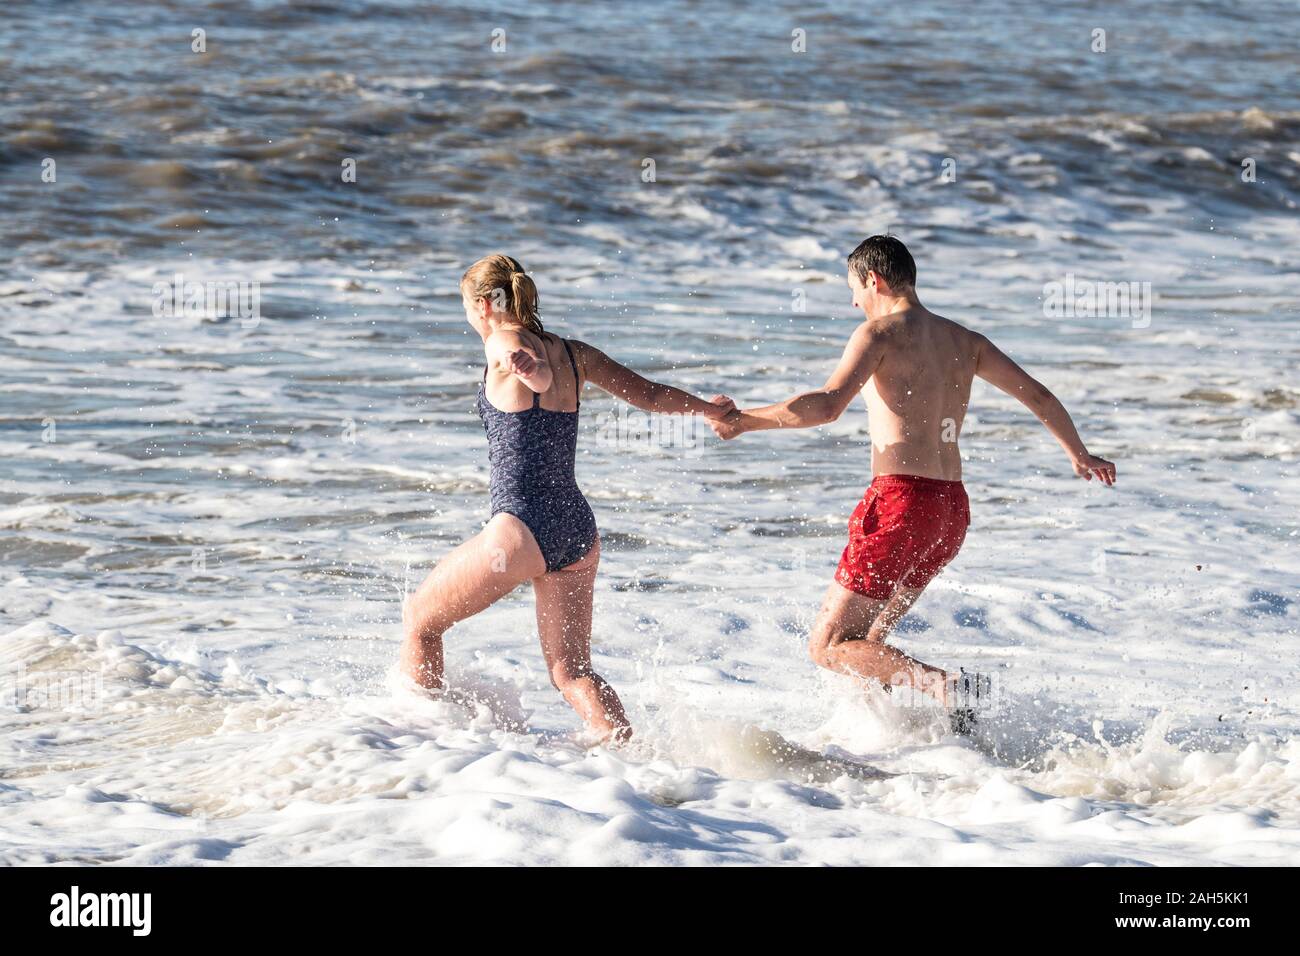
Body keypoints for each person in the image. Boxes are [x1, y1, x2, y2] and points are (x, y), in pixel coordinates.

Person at [710, 236, 1116, 728]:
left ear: (872, 280)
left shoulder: (878, 334)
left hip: (902, 503)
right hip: (951, 512)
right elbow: (1039, 396)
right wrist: (1079, 454)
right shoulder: (967, 341)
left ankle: (948, 689)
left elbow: (826, 405)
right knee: (868, 646)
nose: (853, 302)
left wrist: (744, 421)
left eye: (853, 290)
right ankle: (899, 741)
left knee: (829, 646)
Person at [400, 253, 733, 743]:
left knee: (419, 623)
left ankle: (421, 745)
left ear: (485, 304)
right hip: (576, 530)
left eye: (468, 308)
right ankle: (627, 754)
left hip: (517, 530)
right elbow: (651, 394)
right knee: (572, 673)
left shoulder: (502, 341)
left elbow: (532, 374)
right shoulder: (577, 353)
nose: (470, 320)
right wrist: (710, 409)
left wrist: (529, 369)